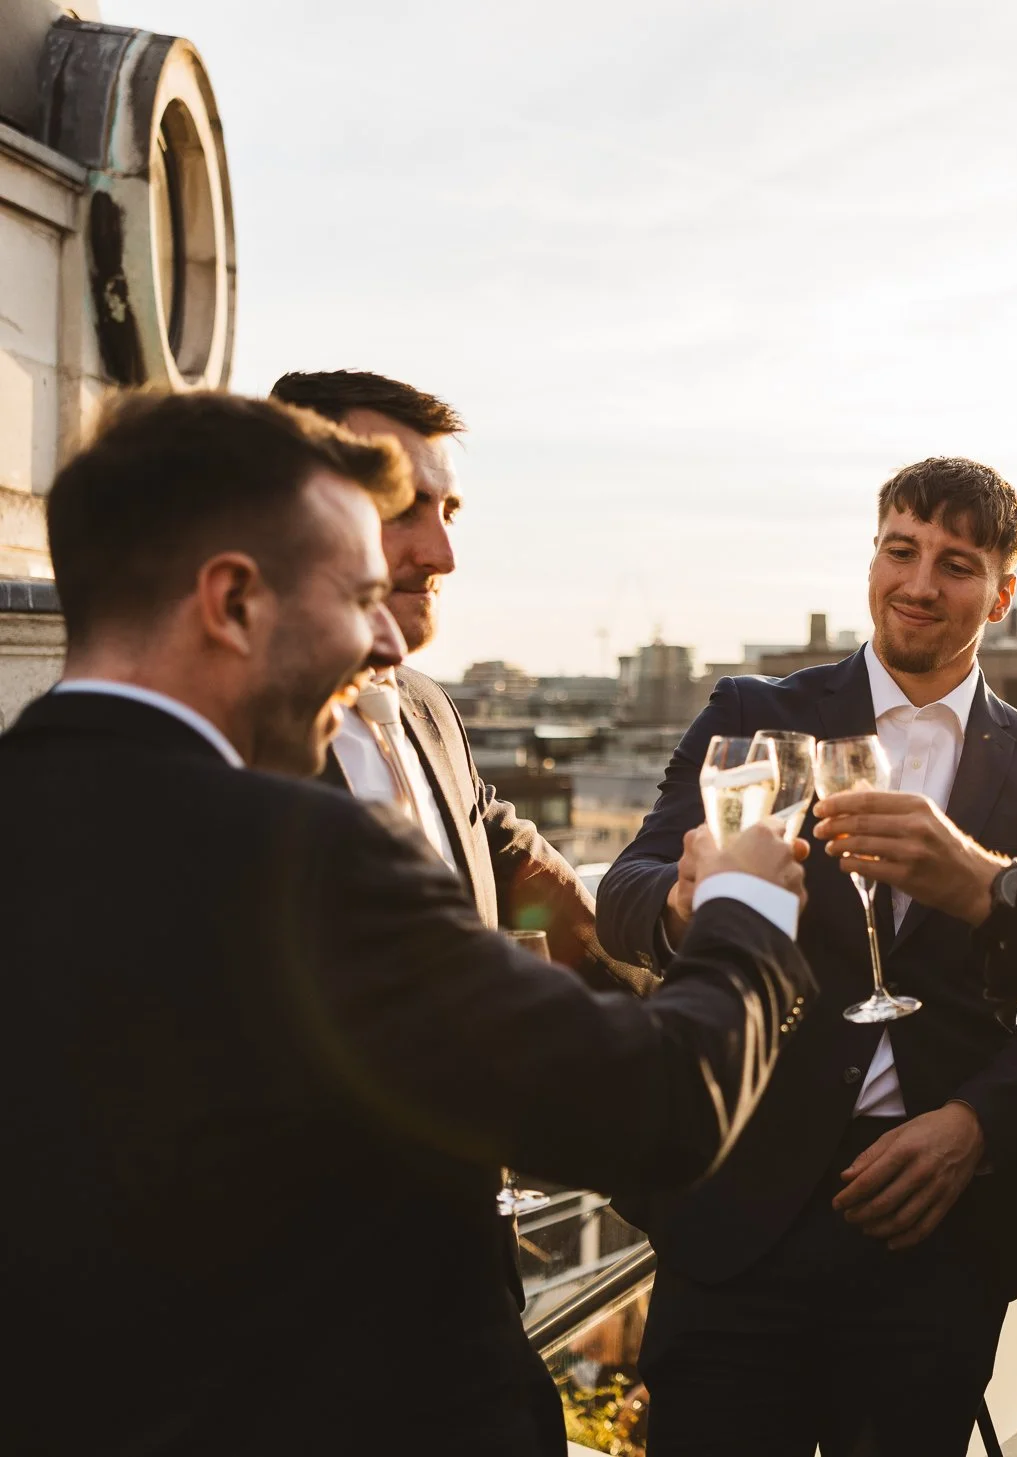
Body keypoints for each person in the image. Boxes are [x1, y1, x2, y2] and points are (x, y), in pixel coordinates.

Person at [0, 391, 814, 1454]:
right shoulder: (304, 853)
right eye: (356, 595)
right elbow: (659, 1105)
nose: (385, 637)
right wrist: (748, 904)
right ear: (233, 600)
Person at [598, 458, 1017, 1456]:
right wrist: (687, 900)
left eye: (956, 564)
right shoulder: (752, 713)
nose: (919, 584)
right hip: (736, 1218)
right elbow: (623, 893)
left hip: (936, 1231)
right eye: (901, 550)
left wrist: (980, 1122)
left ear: (1002, 594)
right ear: (873, 557)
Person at [269, 370, 643, 993]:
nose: (443, 555)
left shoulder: (429, 707)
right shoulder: (223, 731)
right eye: (401, 508)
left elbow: (528, 879)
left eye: (448, 512)